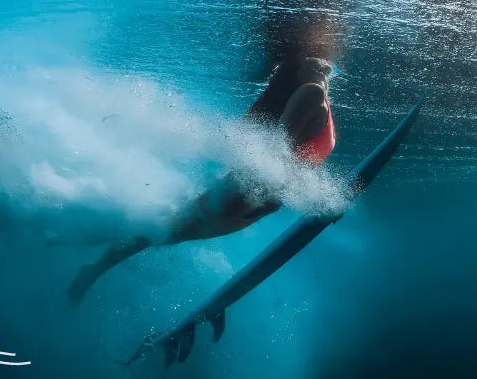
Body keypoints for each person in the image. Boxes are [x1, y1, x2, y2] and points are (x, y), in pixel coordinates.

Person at [66, 53, 337, 304]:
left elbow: (292, 156)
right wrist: (276, 195)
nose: (320, 64)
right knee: (162, 232)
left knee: (166, 233)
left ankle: (90, 239)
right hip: (247, 191)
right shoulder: (311, 93)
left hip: (257, 194)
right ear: (298, 71)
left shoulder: (320, 98)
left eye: (320, 64)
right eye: (309, 63)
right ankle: (91, 264)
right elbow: (280, 146)